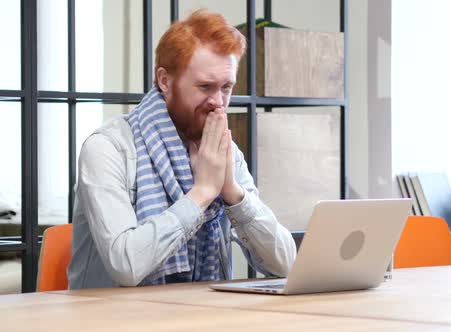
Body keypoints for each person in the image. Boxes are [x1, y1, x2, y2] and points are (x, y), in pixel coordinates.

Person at [67, 9, 296, 289]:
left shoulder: (223, 150)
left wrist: (233, 194)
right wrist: (201, 194)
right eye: (204, 87)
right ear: (165, 81)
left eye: (226, 87)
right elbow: (125, 265)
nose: (218, 102)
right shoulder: (108, 148)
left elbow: (285, 263)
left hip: (202, 315)